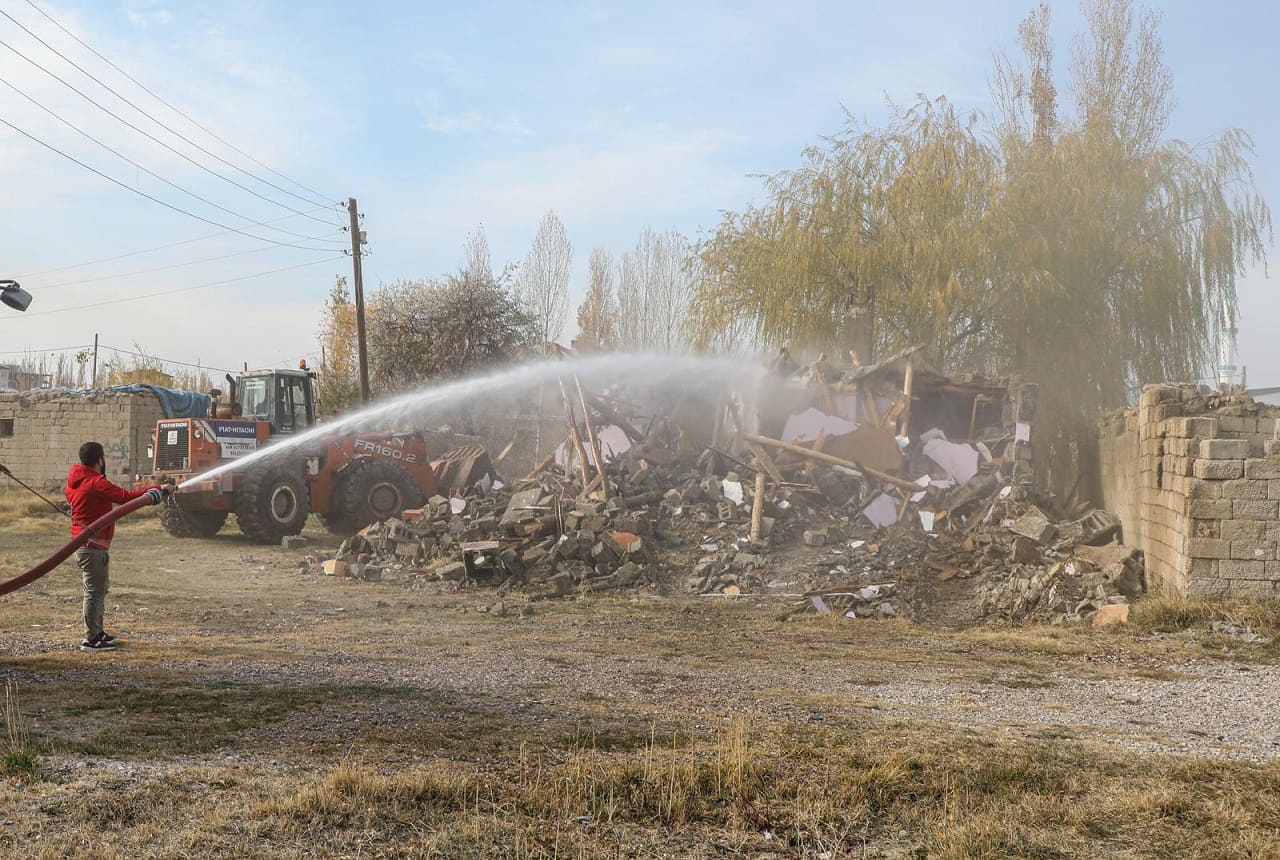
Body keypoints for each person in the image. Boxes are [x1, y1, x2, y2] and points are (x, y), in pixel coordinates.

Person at [65, 442, 167, 652]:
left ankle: (98, 632)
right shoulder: (95, 483)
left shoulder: (76, 482)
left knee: (99, 591)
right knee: (94, 592)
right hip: (92, 548)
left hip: (89, 547)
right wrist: (158, 490)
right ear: (100, 460)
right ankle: (91, 639)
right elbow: (126, 498)